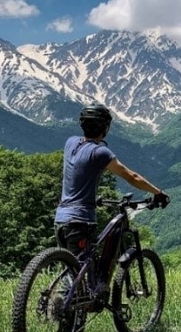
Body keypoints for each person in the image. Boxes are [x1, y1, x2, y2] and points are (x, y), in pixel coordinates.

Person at [54, 103, 170, 257]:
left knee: (71, 271)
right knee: (80, 275)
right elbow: (132, 177)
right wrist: (158, 193)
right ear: (105, 127)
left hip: (61, 218)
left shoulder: (71, 143)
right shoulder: (100, 152)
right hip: (80, 221)